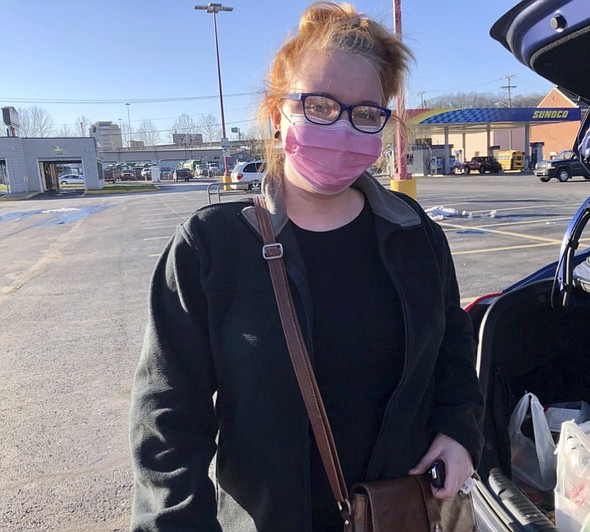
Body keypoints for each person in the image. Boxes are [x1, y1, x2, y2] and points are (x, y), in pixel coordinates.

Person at [129, 2, 484, 530]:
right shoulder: (210, 246)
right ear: (278, 116)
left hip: (397, 514)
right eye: (318, 105)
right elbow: (168, 421)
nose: (342, 127)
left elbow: (452, 348)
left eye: (365, 113)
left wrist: (458, 431)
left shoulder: (413, 233)